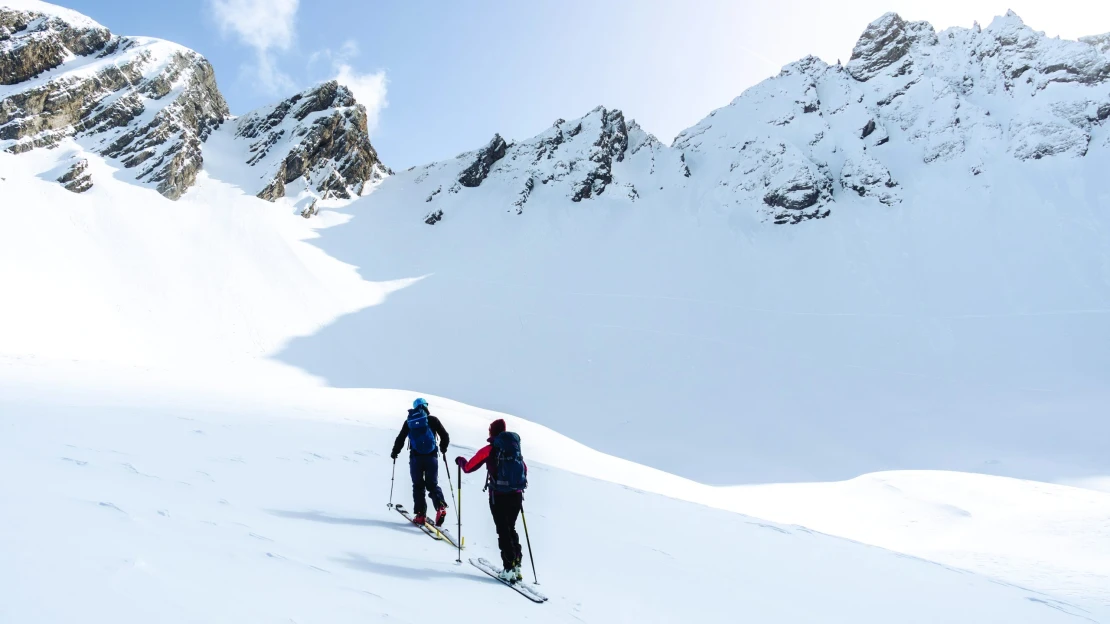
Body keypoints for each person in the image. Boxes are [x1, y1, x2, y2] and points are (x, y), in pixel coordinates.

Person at [455, 418, 528, 583]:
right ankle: (517, 565)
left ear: (491, 432)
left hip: (498, 496)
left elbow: (469, 467)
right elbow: (524, 469)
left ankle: (508, 568)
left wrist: (460, 461)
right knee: (511, 528)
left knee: (503, 530)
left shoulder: (490, 449)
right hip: (516, 494)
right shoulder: (514, 449)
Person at [391, 398, 451, 527]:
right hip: (432, 458)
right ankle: (440, 506)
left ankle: (420, 515)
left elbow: (401, 438)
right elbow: (445, 435)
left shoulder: (409, 422)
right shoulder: (433, 420)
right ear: (425, 406)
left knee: (418, 485)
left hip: (416, 458)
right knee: (432, 485)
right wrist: (443, 447)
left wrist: (395, 452)